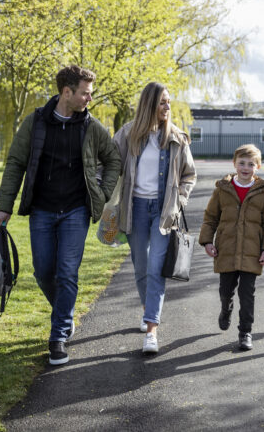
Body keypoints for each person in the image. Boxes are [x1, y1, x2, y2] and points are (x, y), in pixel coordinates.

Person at [0, 65, 121, 366]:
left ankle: (58, 336)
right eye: (86, 93)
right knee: (43, 272)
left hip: (75, 211)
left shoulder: (91, 126)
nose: (90, 98)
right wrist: (4, 204)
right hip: (42, 210)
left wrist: (102, 195)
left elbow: (113, 158)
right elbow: (15, 163)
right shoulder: (35, 123)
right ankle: (64, 313)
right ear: (67, 92)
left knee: (67, 273)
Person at [112, 82, 196, 355]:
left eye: (169, 101)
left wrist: (178, 201)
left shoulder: (177, 138)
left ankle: (151, 330)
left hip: (163, 212)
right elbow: (111, 165)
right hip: (135, 209)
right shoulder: (127, 134)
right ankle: (149, 309)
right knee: (140, 267)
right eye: (162, 102)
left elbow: (188, 175)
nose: (167, 106)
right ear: (149, 104)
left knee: (156, 269)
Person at [199, 144, 264, 351]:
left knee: (247, 293)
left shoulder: (263, 192)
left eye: (251, 164)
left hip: (252, 252)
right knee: (226, 290)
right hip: (227, 250)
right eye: (242, 163)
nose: (246, 167)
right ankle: (226, 308)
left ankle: (245, 332)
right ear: (234, 164)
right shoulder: (223, 190)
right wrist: (207, 242)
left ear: (258, 167)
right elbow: (210, 218)